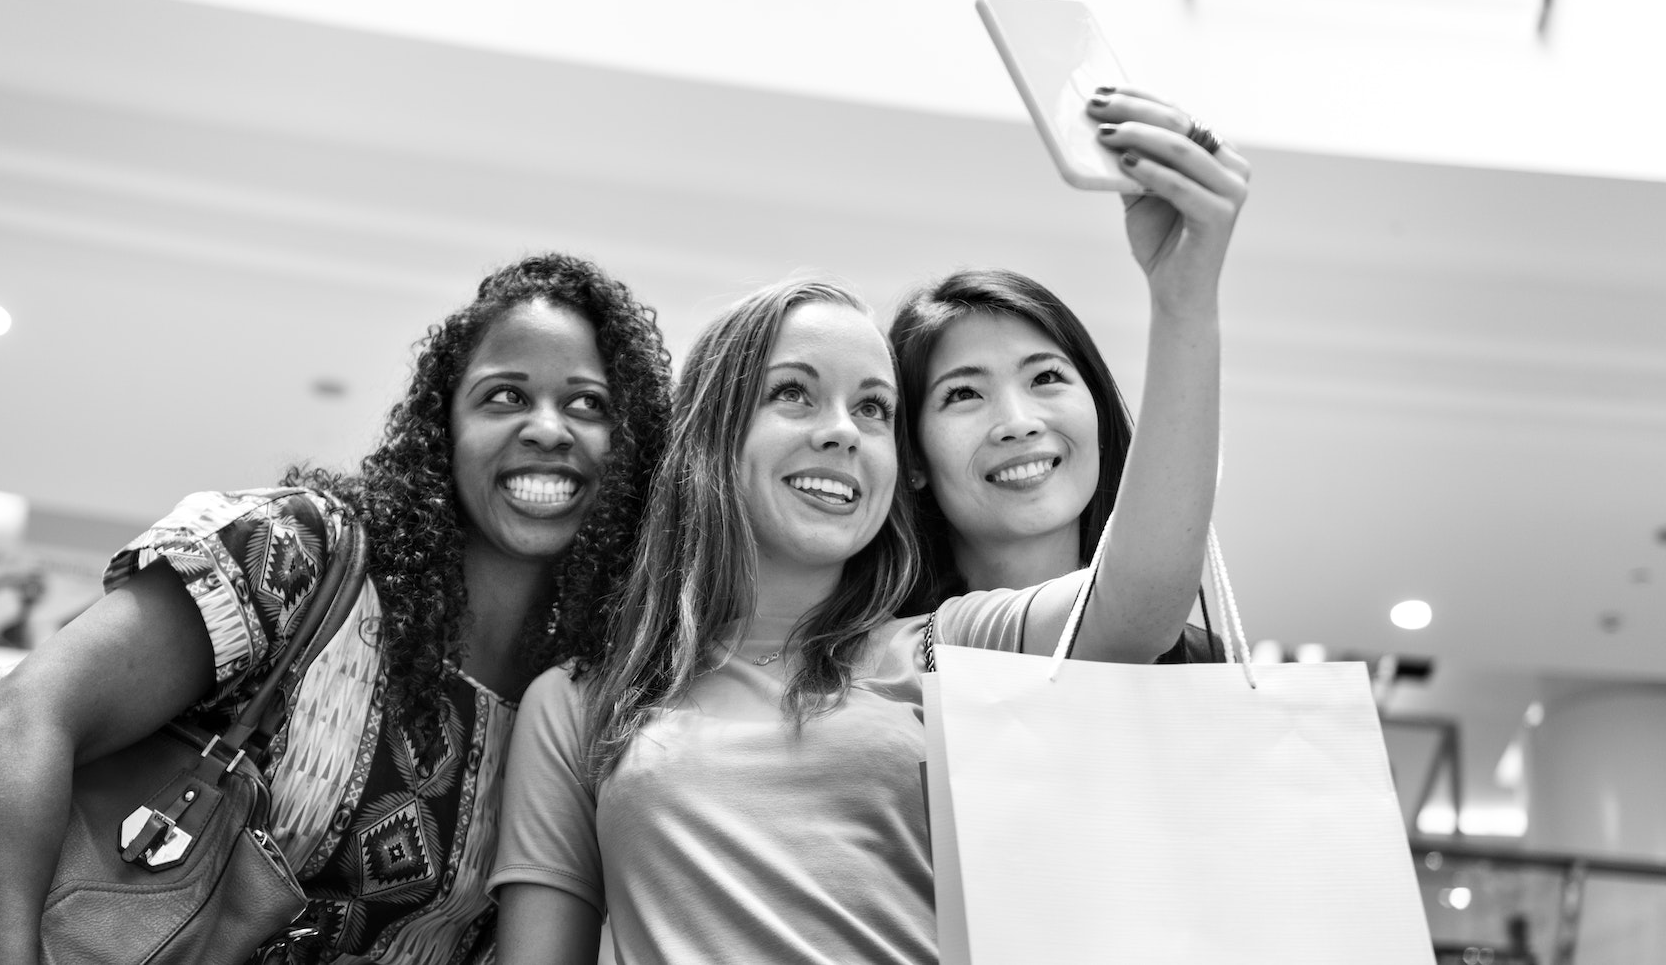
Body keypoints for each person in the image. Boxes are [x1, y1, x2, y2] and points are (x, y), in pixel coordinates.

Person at [487, 89, 1251, 964]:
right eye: (794, 394)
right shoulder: (581, 703)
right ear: (712, 436)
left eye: (875, 408)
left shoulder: (944, 647)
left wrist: (1185, 303)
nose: (842, 430)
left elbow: (1140, 603)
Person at [0, 253, 674, 965]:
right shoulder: (302, 554)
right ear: (444, 424)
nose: (547, 426)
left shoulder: (586, 702)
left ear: (632, 445)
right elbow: (12, 727)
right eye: (504, 395)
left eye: (588, 404)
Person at [887, 268, 1223, 661]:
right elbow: (1126, 611)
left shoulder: (1204, 659)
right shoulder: (882, 659)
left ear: (1097, 410)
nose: (1018, 423)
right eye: (964, 394)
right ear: (912, 457)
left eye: (1045, 376)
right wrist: (1185, 299)